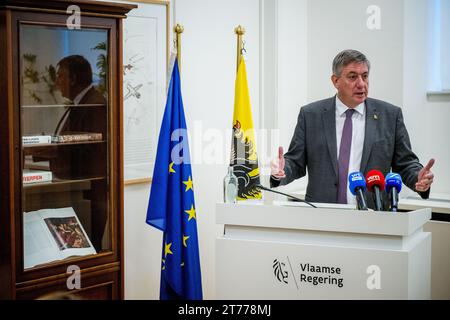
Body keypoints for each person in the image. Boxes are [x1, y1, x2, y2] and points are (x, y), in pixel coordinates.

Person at [270, 49, 435, 209]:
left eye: (365, 76)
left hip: (374, 215)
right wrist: (282, 170)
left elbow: (405, 163)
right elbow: (295, 162)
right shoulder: (311, 115)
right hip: (322, 214)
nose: (361, 84)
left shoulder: (390, 116)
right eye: (352, 77)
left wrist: (418, 178)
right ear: (335, 81)